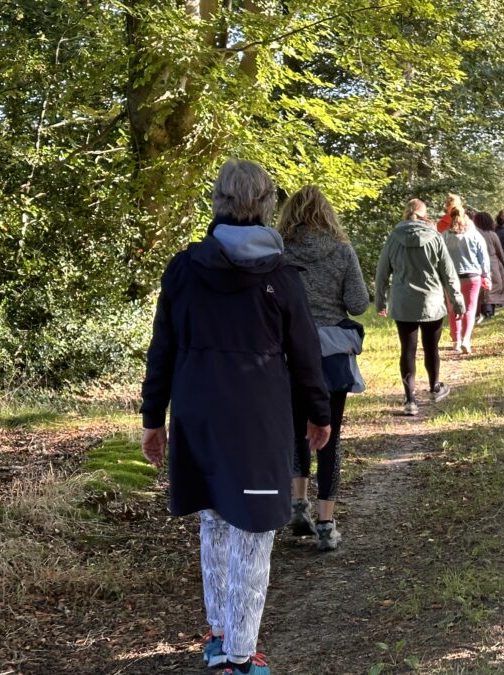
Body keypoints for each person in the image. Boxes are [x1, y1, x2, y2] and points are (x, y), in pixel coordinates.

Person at [141, 159, 331, 675]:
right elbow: (306, 354)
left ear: (218, 202)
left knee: (215, 518)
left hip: (198, 410)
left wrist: (153, 418)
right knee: (251, 531)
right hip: (256, 416)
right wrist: (319, 412)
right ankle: (240, 657)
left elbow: (162, 349)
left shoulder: (184, 268)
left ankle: (222, 635)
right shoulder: (282, 275)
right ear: (267, 204)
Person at [277, 185, 369, 552]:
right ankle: (327, 524)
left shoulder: (279, 253)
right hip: (330, 354)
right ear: (327, 214)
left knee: (296, 428)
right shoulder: (342, 252)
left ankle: (298, 505)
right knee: (329, 437)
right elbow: (358, 304)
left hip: (287, 352)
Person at [376, 198, 464, 415]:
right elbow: (449, 274)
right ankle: (434, 388)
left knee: (407, 349)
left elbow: (381, 272)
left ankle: (410, 400)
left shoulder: (394, 238)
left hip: (403, 302)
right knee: (431, 347)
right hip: (431, 302)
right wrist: (457, 301)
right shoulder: (434, 237)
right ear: (425, 215)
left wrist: (380, 300)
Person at [442, 204, 491, 353]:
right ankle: (466, 340)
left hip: (450, 277)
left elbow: (439, 258)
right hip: (471, 277)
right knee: (470, 309)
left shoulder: (444, 236)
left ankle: (456, 341)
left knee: (452, 309)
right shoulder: (474, 235)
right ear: (466, 217)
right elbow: (484, 257)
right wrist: (486, 275)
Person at [474, 210, 504, 319]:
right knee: (492, 287)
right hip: (492, 263)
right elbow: (499, 251)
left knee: (480, 288)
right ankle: (489, 310)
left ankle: (481, 310)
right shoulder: (492, 234)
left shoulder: (473, 234)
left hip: (476, 264)